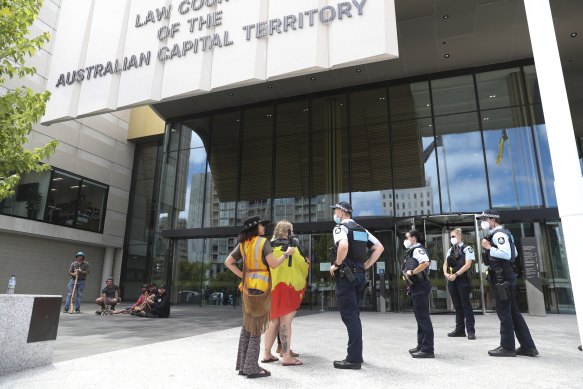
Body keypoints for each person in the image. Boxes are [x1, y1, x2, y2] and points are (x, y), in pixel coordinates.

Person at [224, 216, 295, 379]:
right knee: (256, 327)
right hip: (261, 290)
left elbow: (228, 262)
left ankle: (243, 365)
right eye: (262, 226)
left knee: (247, 326)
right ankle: (251, 367)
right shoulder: (263, 243)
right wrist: (286, 254)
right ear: (256, 228)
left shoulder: (243, 244)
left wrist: (243, 276)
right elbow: (274, 264)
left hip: (247, 289)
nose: (264, 228)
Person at [329, 201, 384, 369]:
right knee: (354, 315)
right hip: (359, 276)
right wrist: (366, 265)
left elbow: (343, 246)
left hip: (346, 277)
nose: (335, 214)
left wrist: (337, 265)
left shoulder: (341, 228)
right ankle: (357, 354)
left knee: (350, 316)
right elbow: (379, 247)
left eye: (336, 210)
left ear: (342, 212)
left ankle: (353, 359)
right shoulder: (362, 230)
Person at [478, 209, 539, 357]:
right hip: (504, 276)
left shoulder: (499, 235)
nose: (482, 222)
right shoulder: (503, 234)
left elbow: (508, 255)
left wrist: (489, 248)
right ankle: (528, 347)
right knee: (513, 312)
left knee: (504, 312)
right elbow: (515, 253)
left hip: (502, 278)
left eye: (485, 219)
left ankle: (507, 347)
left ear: (493, 220)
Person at [261, 220, 309, 366]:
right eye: (291, 230)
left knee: (273, 321)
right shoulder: (293, 246)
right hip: (290, 287)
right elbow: (304, 265)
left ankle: (267, 353)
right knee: (285, 322)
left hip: (272, 287)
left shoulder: (268, 245)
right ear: (287, 231)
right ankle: (287, 356)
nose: (293, 233)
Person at [403, 229, 435, 358]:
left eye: (407, 237)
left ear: (414, 238)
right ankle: (421, 345)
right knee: (420, 317)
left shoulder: (417, 250)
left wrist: (413, 272)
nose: (406, 240)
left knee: (423, 318)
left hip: (420, 286)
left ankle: (427, 349)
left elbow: (425, 263)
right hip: (416, 286)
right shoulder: (412, 251)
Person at [443, 228, 476, 340]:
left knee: (466, 305)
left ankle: (471, 331)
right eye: (451, 237)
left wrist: (456, 274)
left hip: (462, 279)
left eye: (454, 236)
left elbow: (468, 264)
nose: (452, 239)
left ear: (460, 236)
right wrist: (446, 273)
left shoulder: (468, 248)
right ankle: (459, 330)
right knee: (457, 306)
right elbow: (445, 263)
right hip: (452, 280)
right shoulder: (450, 250)